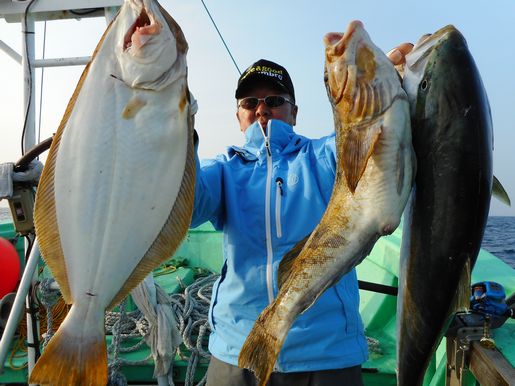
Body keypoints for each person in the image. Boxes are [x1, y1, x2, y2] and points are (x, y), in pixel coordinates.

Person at [191, 46, 411, 386]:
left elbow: (369, 143)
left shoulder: (324, 156)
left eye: (275, 101)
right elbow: (181, 208)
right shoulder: (222, 170)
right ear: (238, 116)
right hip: (236, 349)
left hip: (326, 352)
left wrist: (395, 86)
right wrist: (177, 138)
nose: (262, 109)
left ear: (294, 112)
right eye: (250, 103)